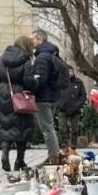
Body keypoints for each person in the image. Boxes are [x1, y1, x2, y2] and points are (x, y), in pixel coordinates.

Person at [0, 35, 35, 172]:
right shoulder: (25, 60)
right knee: (22, 129)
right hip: (19, 95)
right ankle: (19, 161)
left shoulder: (2, 58)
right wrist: (34, 83)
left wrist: (3, 85)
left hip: (3, 94)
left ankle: (4, 155)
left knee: (5, 126)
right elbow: (28, 81)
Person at [27, 28, 64, 162]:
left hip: (44, 98)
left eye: (32, 39)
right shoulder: (52, 53)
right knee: (50, 127)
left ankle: (53, 157)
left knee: (47, 129)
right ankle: (54, 155)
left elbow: (41, 80)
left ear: (39, 40)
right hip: (53, 96)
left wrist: (31, 87)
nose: (30, 42)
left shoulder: (42, 56)